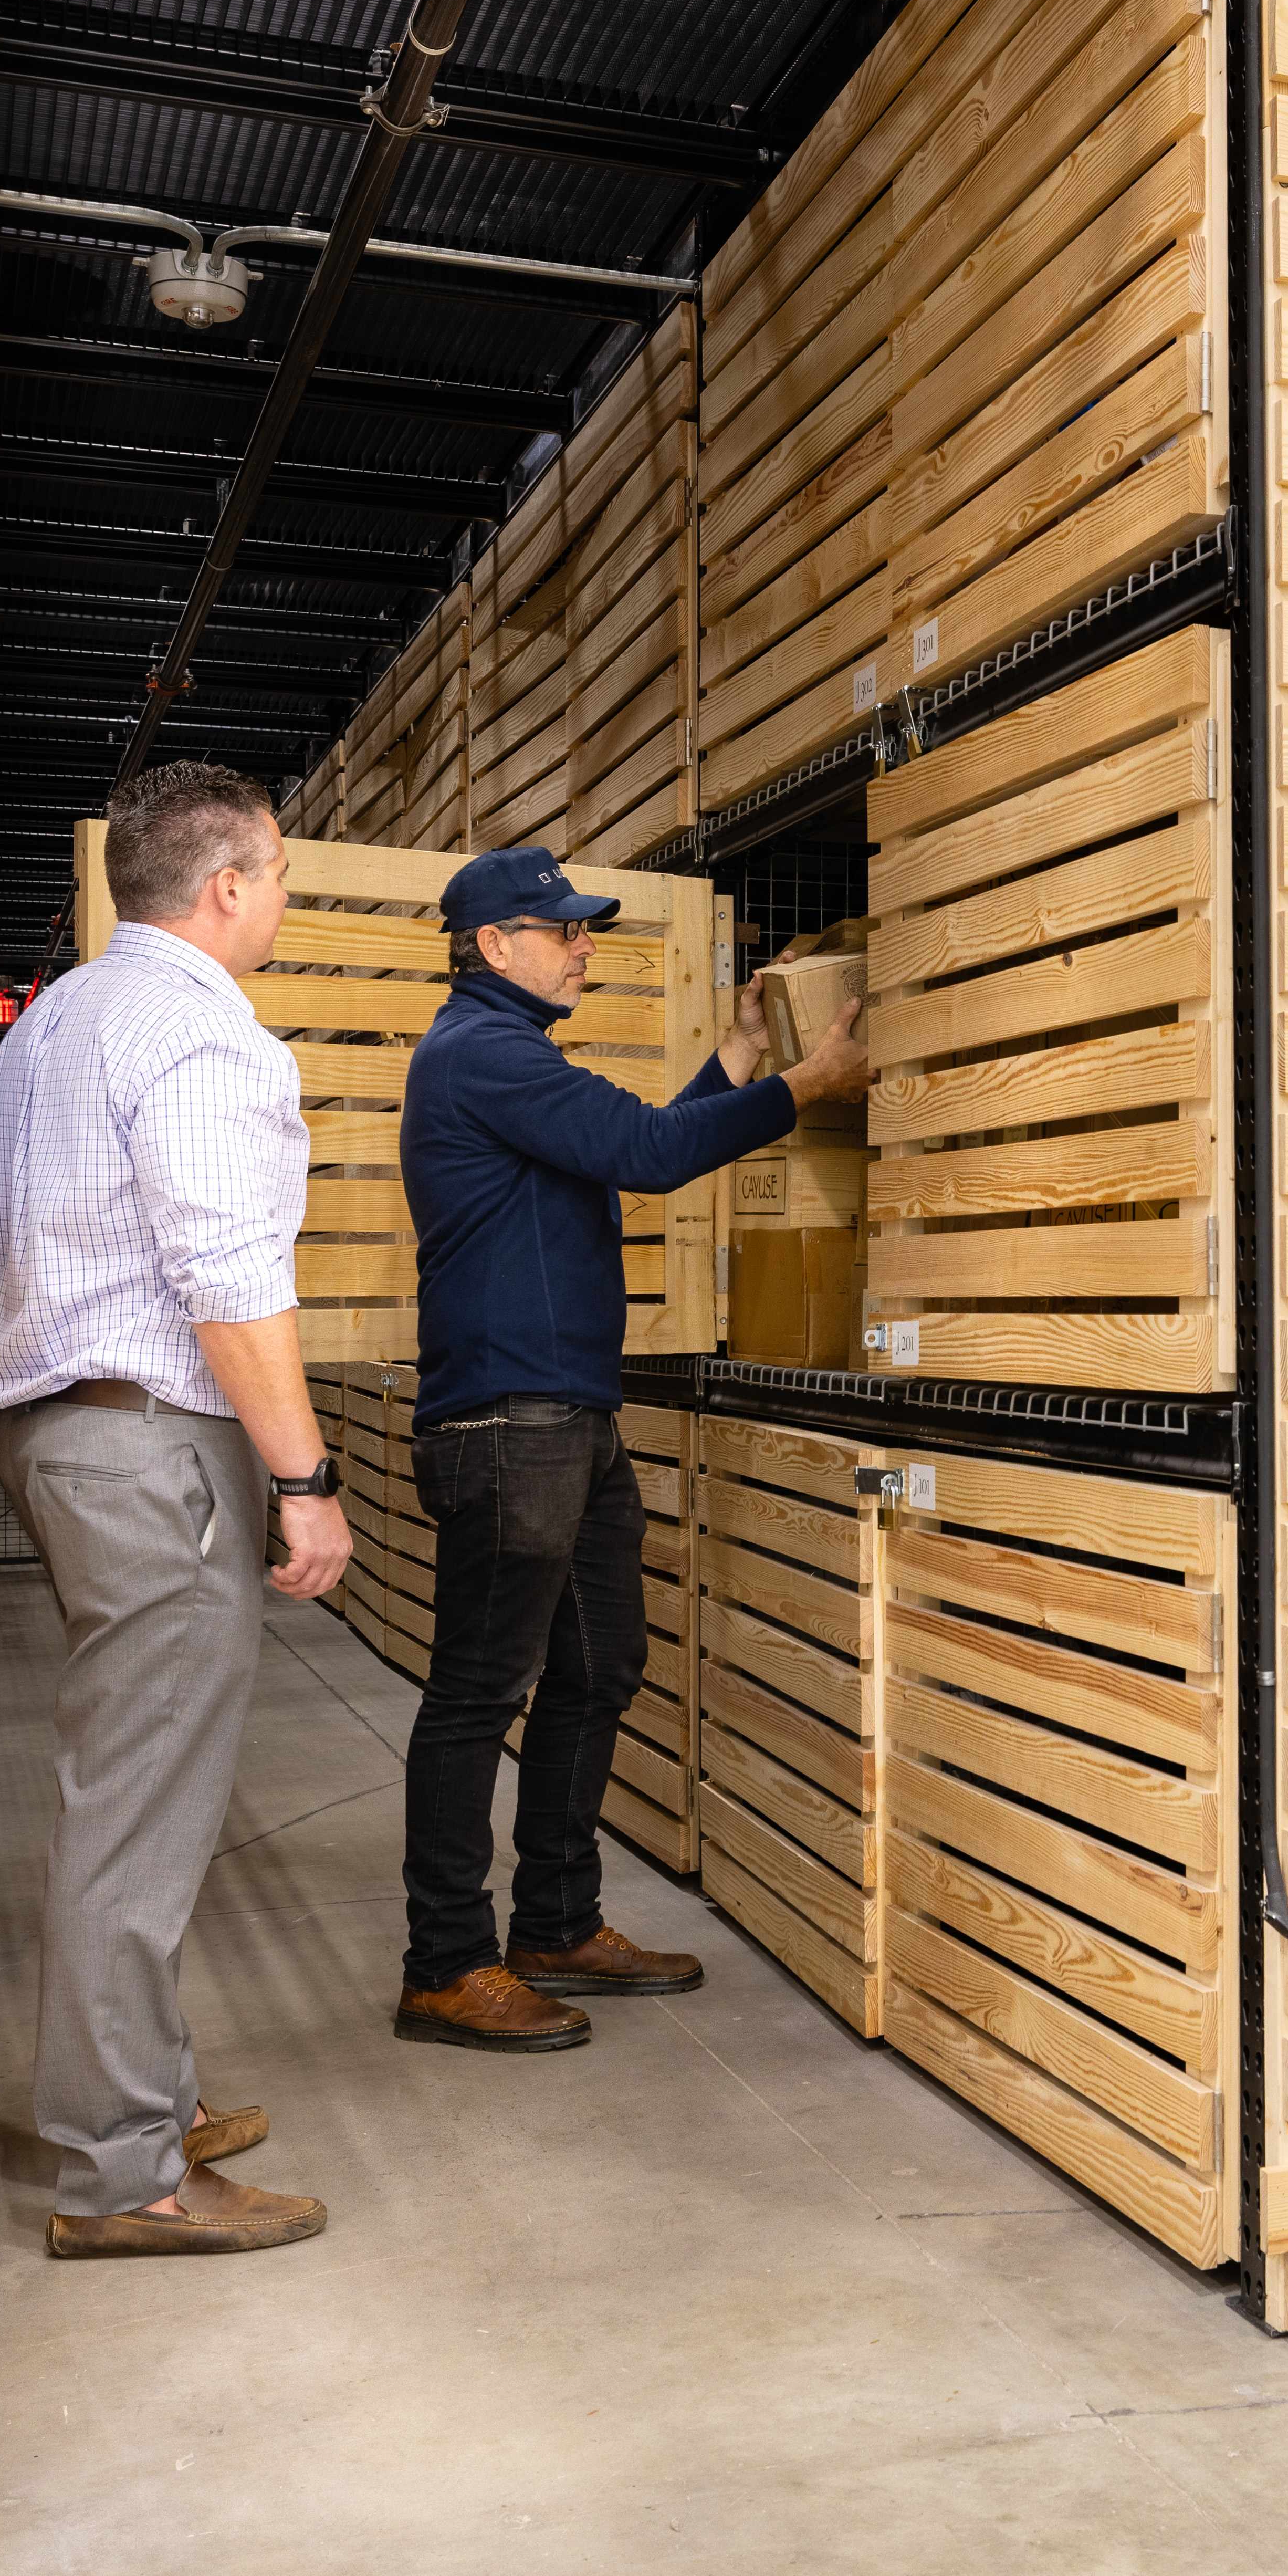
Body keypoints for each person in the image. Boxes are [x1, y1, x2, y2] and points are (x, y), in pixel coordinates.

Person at [391, 848, 869, 2052]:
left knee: (602, 1663)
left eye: (583, 928)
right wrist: (803, 1085)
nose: (582, 945)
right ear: (493, 945)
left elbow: (633, 1145)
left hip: (564, 1416)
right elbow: (651, 1153)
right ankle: (445, 1965)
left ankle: (554, 1923)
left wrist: (744, 1055)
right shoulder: (483, 1053)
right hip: (508, 1420)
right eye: (560, 930)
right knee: (477, 1692)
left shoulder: (511, 1058)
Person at [0, 760, 351, 2258]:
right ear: (227, 886)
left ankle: (135, 2096)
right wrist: (305, 1479)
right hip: (151, 1450)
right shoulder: (205, 1035)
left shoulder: (54, 1020)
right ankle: (123, 2170)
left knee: (123, 1790)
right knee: (140, 1815)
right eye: (280, 877)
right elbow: (226, 1276)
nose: (282, 901)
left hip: (59, 1434)